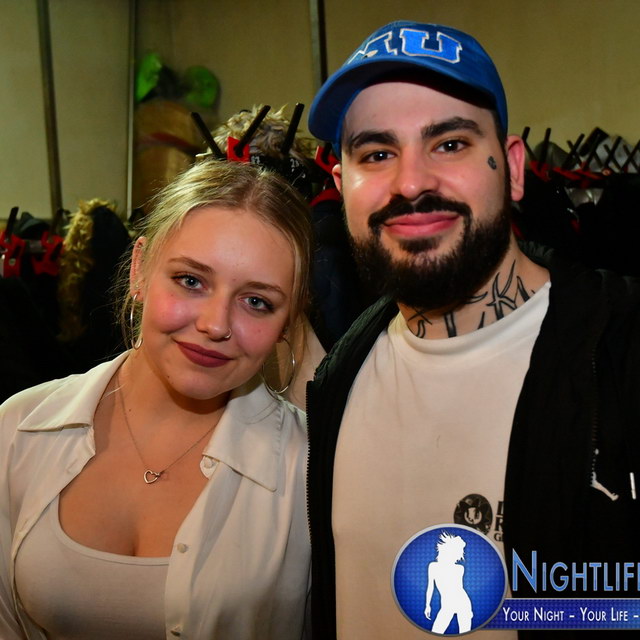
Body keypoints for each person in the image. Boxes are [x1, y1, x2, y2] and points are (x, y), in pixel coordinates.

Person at [306, 20, 640, 639]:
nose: (411, 182)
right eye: (376, 154)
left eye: (450, 143)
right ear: (341, 187)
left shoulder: (622, 354)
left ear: (512, 169)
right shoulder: (337, 379)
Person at [0, 159, 312, 639]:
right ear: (140, 269)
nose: (215, 324)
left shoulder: (312, 467)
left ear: (287, 322)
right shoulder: (17, 428)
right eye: (191, 280)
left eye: (257, 302)